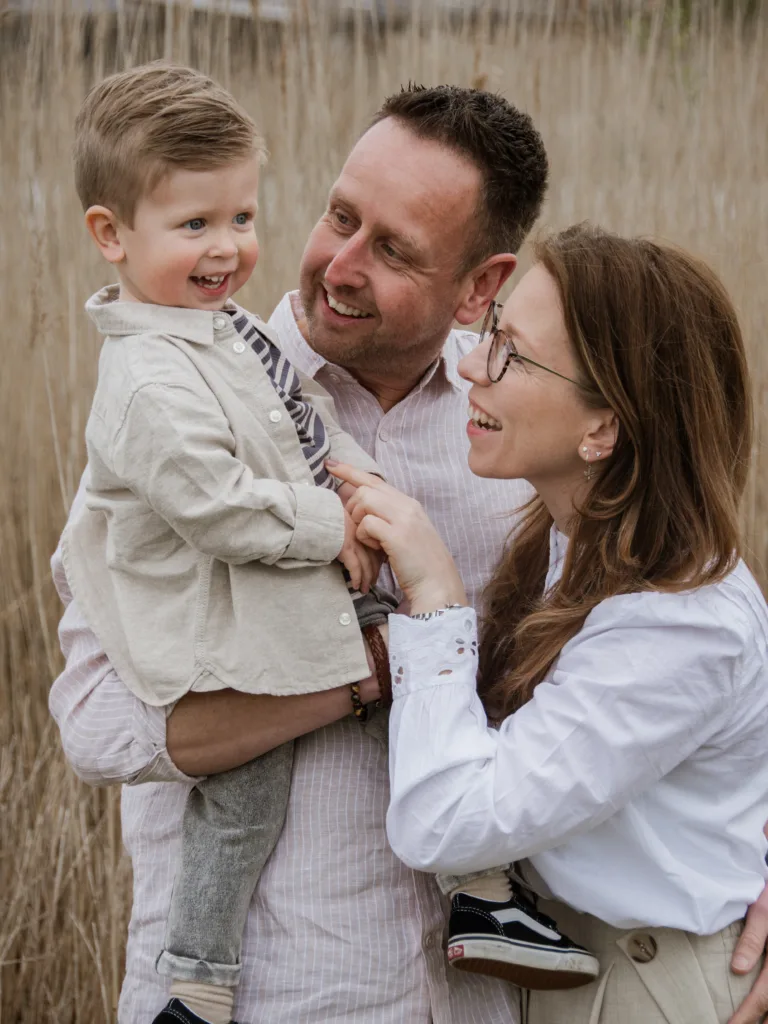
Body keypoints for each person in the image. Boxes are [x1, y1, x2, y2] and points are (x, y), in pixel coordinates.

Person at [48, 84, 768, 1023]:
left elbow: (700, 651)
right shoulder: (174, 416)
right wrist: (362, 675)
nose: (338, 265)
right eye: (339, 217)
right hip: (274, 993)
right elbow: (97, 722)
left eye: (392, 250)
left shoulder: (524, 423)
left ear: (480, 283)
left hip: (484, 1003)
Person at [331, 224, 768, 1024]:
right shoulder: (569, 537)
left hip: (647, 985)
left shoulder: (680, 625)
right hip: (569, 968)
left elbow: (447, 824)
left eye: (509, 353)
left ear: (604, 428)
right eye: (488, 329)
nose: (469, 368)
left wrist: (433, 595)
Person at [63, 62, 401, 1024]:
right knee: (242, 801)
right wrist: (335, 525)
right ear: (110, 235)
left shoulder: (224, 330)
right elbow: (216, 507)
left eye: (243, 219)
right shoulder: (144, 382)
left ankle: (484, 885)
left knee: (425, 704)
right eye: (196, 225)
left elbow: (295, 416)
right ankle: (201, 981)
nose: (229, 248)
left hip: (280, 602)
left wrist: (352, 472)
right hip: (225, 639)